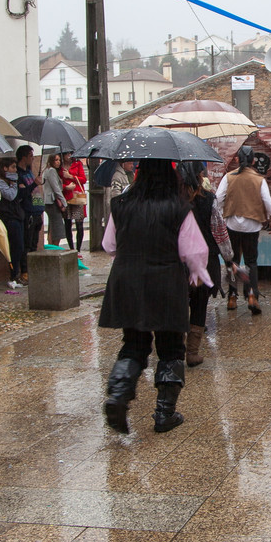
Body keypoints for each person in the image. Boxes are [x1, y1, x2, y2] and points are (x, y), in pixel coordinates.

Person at [100, 159, 212, 434]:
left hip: (127, 279)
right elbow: (194, 251)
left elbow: (109, 245)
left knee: (134, 343)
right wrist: (200, 273)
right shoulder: (178, 207)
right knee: (171, 346)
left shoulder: (121, 204)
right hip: (165, 280)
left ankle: (118, 395)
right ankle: (164, 414)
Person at [215, 145, 271, 314]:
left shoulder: (229, 177)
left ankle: (232, 297)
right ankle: (251, 294)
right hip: (252, 225)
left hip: (231, 223)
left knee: (232, 261)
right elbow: (268, 203)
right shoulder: (259, 179)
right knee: (251, 261)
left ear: (237, 159)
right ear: (253, 160)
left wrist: (222, 214)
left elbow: (219, 198)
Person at [179, 162, 229, 367]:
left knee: (179, 302)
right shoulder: (209, 199)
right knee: (200, 303)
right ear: (200, 176)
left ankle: (176, 346)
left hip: (178, 261)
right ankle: (192, 352)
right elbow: (219, 231)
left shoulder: (173, 201)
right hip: (204, 261)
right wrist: (229, 257)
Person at [0, 157, 26, 289]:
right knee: (15, 246)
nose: (15, 170)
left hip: (17, 216)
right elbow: (10, 195)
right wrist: (14, 184)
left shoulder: (13, 180)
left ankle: (16, 274)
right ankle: (13, 275)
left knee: (20, 247)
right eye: (12, 167)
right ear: (5, 168)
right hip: (8, 217)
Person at [15, 145, 42, 268]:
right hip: (27, 211)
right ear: (23, 157)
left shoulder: (29, 171)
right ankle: (25, 269)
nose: (33, 159)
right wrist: (33, 184)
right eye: (31, 156)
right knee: (27, 243)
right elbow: (22, 193)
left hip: (37, 210)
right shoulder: (18, 174)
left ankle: (34, 269)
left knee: (34, 244)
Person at [62, 154, 88, 252]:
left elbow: (84, 179)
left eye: (70, 153)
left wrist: (71, 176)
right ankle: (71, 248)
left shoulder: (77, 164)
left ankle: (78, 249)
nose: (68, 156)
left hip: (77, 197)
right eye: (66, 154)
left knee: (79, 223)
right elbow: (59, 182)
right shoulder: (61, 166)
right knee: (67, 223)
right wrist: (66, 186)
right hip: (66, 196)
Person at [42, 152, 67, 247]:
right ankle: (54, 247)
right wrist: (64, 203)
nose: (58, 162)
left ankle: (52, 246)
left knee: (52, 227)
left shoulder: (48, 170)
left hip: (49, 201)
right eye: (56, 160)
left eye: (59, 160)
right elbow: (56, 189)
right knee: (57, 227)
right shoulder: (51, 171)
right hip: (52, 202)